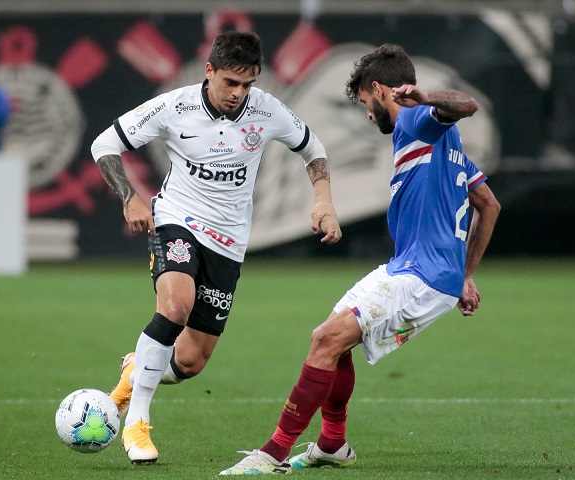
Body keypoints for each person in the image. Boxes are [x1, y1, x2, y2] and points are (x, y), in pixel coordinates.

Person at [219, 43, 501, 475]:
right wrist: (465, 275)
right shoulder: (448, 144)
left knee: (325, 341)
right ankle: (332, 444)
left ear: (378, 89)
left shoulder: (413, 119)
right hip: (416, 268)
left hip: (421, 276)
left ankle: (272, 453)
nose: (369, 115)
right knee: (335, 339)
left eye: (367, 104)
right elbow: (489, 204)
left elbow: (467, 104)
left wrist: (423, 98)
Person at [89, 31, 342, 465]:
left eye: (248, 84)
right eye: (230, 82)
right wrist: (129, 195)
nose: (239, 94)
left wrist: (323, 201)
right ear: (209, 72)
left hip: (229, 242)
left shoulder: (267, 111)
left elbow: (312, 148)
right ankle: (137, 424)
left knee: (189, 362)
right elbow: (105, 143)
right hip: (178, 221)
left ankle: (136, 370)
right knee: (175, 308)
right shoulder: (175, 107)